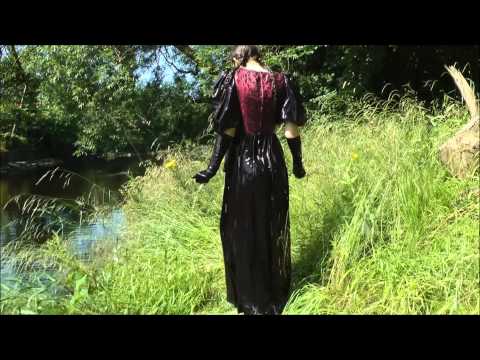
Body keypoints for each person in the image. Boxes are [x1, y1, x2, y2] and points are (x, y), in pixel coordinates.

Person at [193, 45, 306, 315]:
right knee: (272, 225)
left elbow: (228, 130)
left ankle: (251, 302)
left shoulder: (233, 79)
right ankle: (274, 297)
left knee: (243, 229)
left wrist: (210, 168)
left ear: (238, 57)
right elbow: (291, 131)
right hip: (273, 162)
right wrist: (298, 166)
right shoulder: (282, 81)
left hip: (245, 162)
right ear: (258, 55)